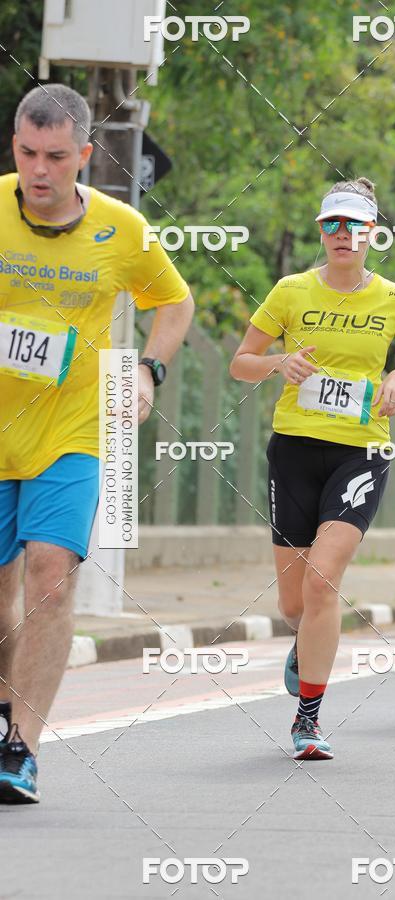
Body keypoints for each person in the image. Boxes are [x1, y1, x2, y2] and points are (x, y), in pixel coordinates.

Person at [0, 85, 194, 802]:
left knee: (51, 576)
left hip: (71, 429)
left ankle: (22, 748)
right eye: (27, 153)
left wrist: (148, 369)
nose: (38, 170)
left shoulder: (122, 229)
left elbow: (174, 302)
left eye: (55, 156)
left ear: (84, 154)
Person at [230, 178, 395, 759]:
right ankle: (304, 640)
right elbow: (241, 362)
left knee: (323, 580)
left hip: (361, 451)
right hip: (294, 450)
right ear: (321, 231)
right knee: (295, 604)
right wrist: (279, 362)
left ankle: (308, 719)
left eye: (354, 226)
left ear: (372, 233)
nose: (343, 235)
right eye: (332, 225)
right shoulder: (291, 291)